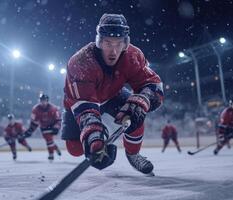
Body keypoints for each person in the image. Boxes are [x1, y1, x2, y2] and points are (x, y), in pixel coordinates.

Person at [61, 13, 164, 175]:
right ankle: (104, 133)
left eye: (119, 44)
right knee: (74, 149)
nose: (113, 51)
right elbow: (85, 107)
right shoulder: (80, 62)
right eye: (108, 43)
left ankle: (133, 153)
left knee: (136, 113)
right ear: (99, 42)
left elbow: (153, 85)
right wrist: (95, 138)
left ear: (126, 43)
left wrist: (143, 100)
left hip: (112, 95)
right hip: (80, 103)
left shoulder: (133, 56)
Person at [21, 94, 62, 161]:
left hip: (52, 126)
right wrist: (29, 131)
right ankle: (54, 149)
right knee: (49, 141)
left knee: (49, 141)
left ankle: (51, 153)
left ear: (47, 101)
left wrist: (57, 127)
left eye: (44, 100)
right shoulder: (35, 109)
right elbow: (34, 122)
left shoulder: (53, 108)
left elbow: (58, 119)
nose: (43, 102)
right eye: (41, 100)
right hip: (43, 127)